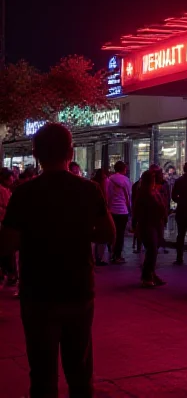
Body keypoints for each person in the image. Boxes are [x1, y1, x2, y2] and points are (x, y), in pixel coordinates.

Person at [0, 123, 115, 397]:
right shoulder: (88, 190)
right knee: (80, 368)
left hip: (38, 292)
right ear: (70, 152)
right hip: (78, 288)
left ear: (36, 153)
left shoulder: (24, 194)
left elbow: (8, 243)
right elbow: (108, 234)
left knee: (42, 372)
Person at [132, 169, 168, 288]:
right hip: (148, 224)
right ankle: (147, 275)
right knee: (152, 249)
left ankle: (150, 273)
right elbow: (138, 210)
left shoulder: (152, 192)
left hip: (154, 223)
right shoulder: (145, 193)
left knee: (153, 250)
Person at [107, 160, 133, 264]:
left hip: (112, 210)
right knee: (120, 233)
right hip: (123, 210)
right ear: (123, 169)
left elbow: (107, 195)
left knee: (113, 232)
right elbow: (129, 196)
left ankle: (110, 250)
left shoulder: (109, 180)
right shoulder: (126, 180)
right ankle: (117, 255)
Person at [0, 168, 17, 286]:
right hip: (3, 224)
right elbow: (8, 207)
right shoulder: (3, 191)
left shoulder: (6, 189)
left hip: (4, 223)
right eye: (11, 176)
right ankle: (10, 274)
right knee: (7, 251)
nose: (13, 178)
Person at [91, 169, 111, 267]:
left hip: (96, 213)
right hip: (100, 213)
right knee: (101, 237)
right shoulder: (99, 187)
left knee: (98, 238)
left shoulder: (94, 185)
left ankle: (96, 258)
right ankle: (98, 258)